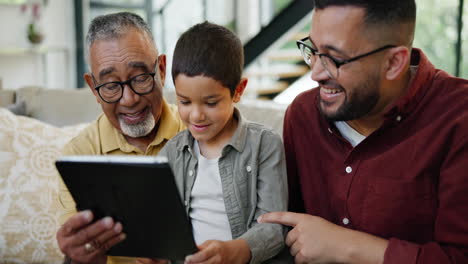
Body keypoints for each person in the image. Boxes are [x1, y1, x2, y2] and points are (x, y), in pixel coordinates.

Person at [258, 0, 468, 263]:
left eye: (335, 58)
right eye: (313, 50)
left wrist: (344, 245)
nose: (315, 73)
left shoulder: (459, 119)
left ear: (393, 63)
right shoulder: (303, 115)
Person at [148, 21, 288, 264]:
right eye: (184, 102)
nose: (196, 115)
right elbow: (164, 224)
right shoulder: (170, 154)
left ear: (238, 90)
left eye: (211, 103)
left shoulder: (265, 145)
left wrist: (232, 252)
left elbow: (274, 230)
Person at [55, 12, 184, 264]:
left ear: (161, 69)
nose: (129, 99)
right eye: (111, 85)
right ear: (93, 88)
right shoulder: (79, 154)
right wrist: (78, 258)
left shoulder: (201, 131)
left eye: (139, 78)